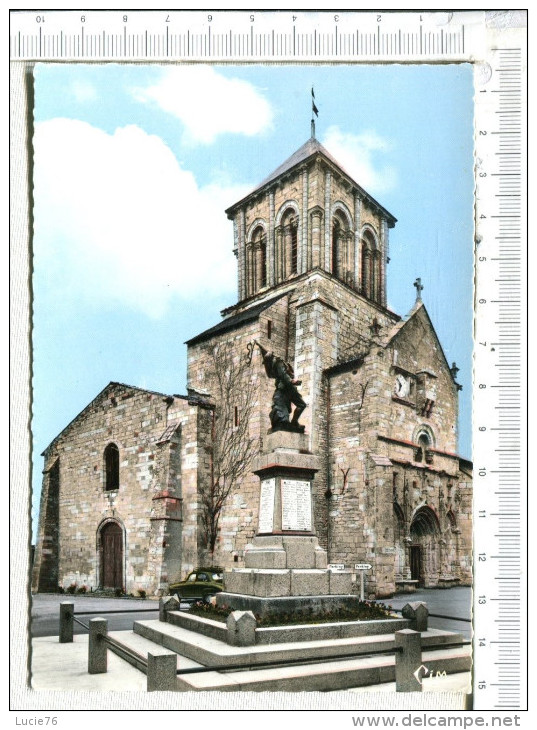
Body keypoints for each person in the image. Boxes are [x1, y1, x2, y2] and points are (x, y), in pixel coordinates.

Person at [253, 341, 307, 432]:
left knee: (302, 405)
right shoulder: (273, 367)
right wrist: (291, 381)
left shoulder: (278, 362)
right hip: (285, 389)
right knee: (297, 407)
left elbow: (283, 375)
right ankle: (292, 422)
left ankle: (294, 422)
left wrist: (291, 381)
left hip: (288, 388)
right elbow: (279, 376)